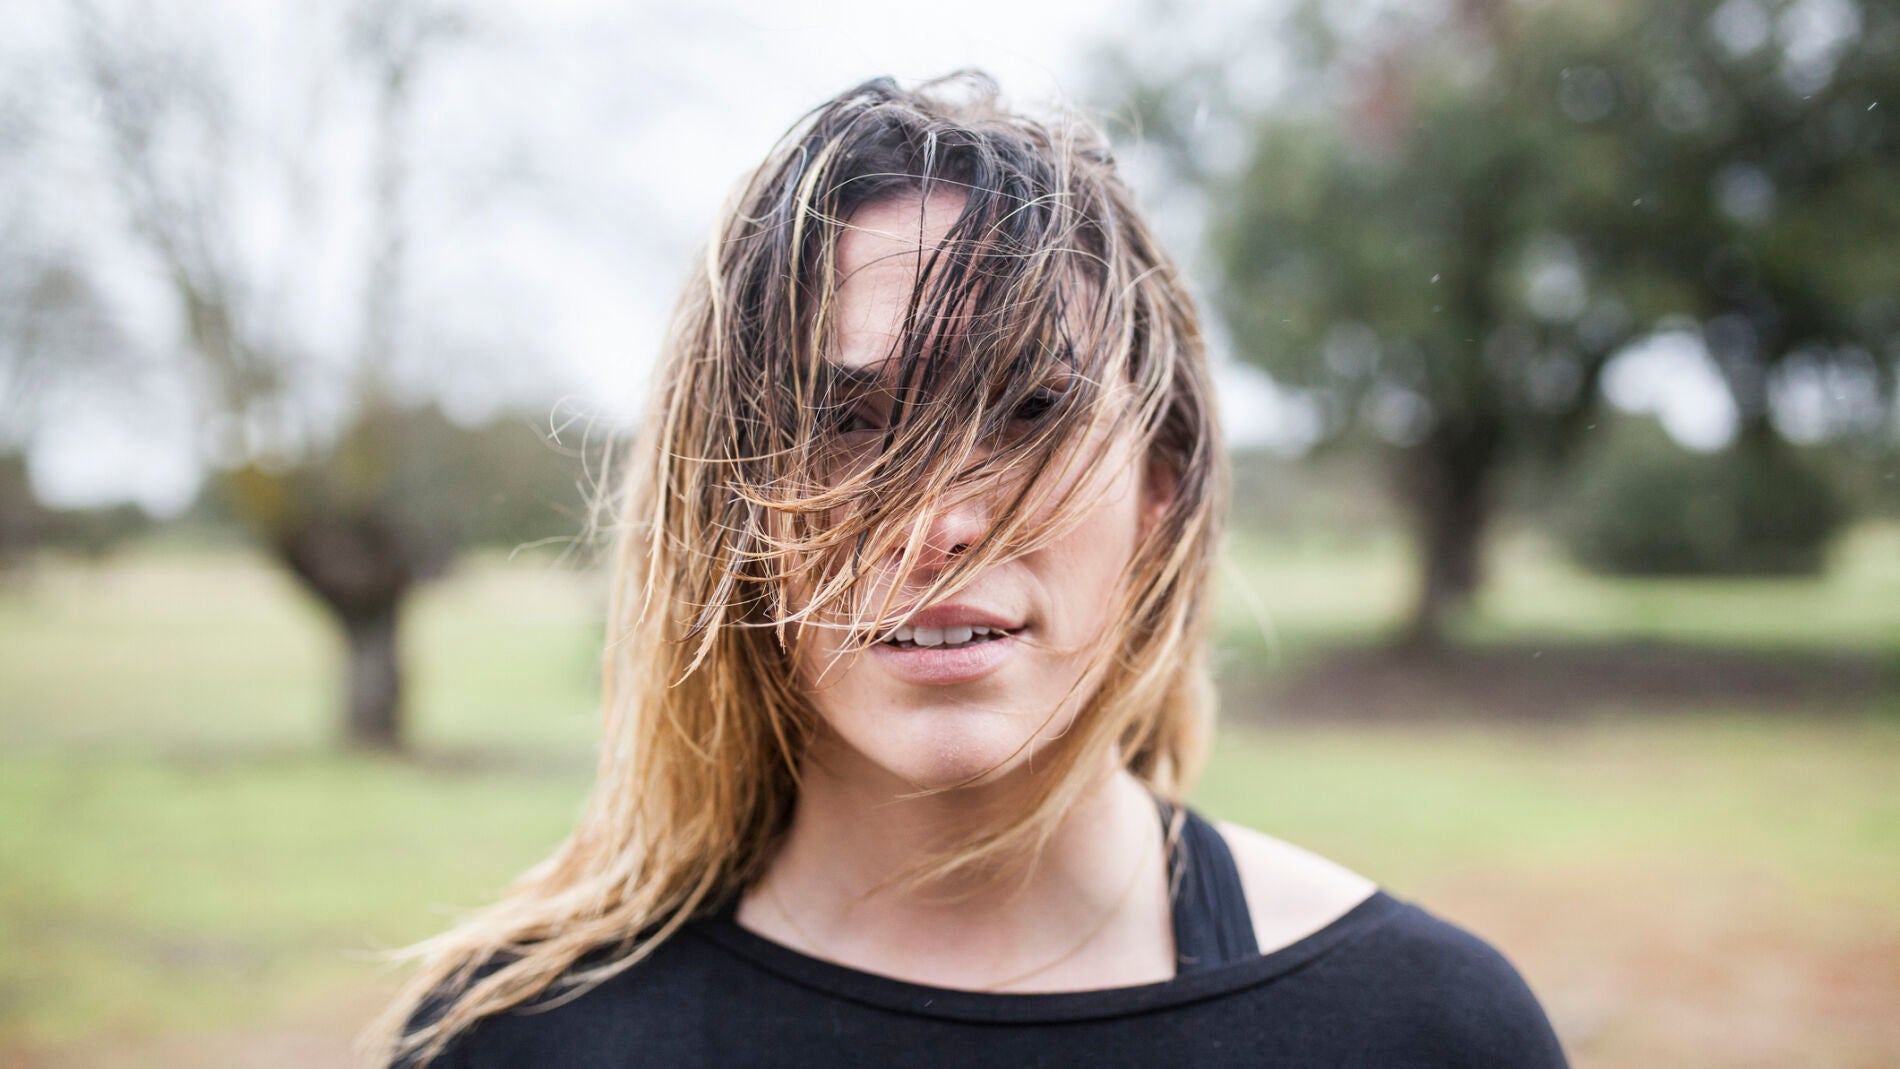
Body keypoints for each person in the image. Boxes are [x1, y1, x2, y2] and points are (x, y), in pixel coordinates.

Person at [366, 71, 1570, 1068]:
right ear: (730, 505)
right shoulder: (513, 1039)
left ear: (1161, 485)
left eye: (1030, 410)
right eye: (847, 421)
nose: (940, 521)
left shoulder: (1423, 1029)